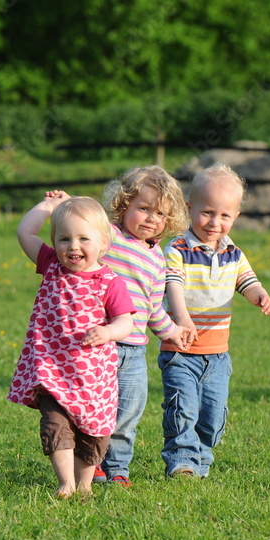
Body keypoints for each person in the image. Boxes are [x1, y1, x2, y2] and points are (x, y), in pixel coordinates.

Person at [8, 191, 135, 497]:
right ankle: (65, 482)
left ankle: (85, 485)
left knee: (93, 433)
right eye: (64, 239)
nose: (73, 246)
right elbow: (25, 233)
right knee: (55, 424)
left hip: (93, 379)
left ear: (103, 243)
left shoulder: (110, 282)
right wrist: (47, 206)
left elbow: (125, 322)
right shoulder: (51, 264)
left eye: (83, 239)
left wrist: (108, 332)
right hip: (52, 371)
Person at [159, 164, 270, 478]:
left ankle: (201, 458)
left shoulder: (233, 253)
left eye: (225, 215)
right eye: (207, 212)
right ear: (189, 209)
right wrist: (182, 318)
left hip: (218, 355)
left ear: (235, 217)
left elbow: (247, 281)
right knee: (182, 407)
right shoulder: (177, 249)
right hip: (180, 350)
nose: (215, 222)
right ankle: (182, 460)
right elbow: (173, 285)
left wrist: (260, 295)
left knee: (212, 415)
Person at [92, 165, 192, 487]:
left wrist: (172, 331)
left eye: (160, 213)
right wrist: (66, 205)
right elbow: (80, 228)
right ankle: (91, 462)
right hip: (100, 342)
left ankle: (117, 469)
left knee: (128, 414)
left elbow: (152, 307)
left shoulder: (157, 258)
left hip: (134, 351)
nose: (151, 218)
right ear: (123, 205)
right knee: (94, 407)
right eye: (144, 208)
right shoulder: (108, 236)